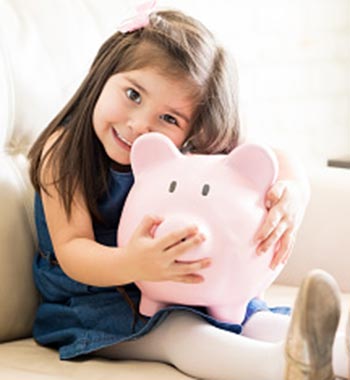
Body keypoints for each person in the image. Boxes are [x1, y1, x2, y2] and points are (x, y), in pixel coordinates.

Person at [28, 4, 348, 380]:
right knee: (179, 332)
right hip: (92, 301)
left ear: (192, 130)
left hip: (178, 288)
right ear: (103, 75)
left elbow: (275, 157)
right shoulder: (63, 151)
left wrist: (294, 194)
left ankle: (338, 352)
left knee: (252, 318)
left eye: (168, 119)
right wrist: (135, 263)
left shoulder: (185, 150)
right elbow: (72, 251)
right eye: (133, 94)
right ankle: (284, 369)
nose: (138, 125)